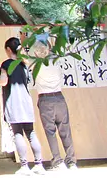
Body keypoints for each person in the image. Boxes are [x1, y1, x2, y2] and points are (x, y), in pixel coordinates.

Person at [0, 37, 46, 175]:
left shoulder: (6, 64)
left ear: (8, 50)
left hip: (13, 102)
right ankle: (39, 164)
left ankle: (24, 166)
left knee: (18, 133)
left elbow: (3, 81)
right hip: (26, 101)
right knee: (31, 133)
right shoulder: (24, 64)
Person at [30, 41, 77, 171]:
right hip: (59, 97)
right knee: (65, 131)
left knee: (50, 132)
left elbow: (22, 56)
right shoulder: (56, 60)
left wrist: (24, 41)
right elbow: (54, 48)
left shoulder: (35, 64)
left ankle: (58, 161)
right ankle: (71, 161)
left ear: (36, 53)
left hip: (45, 99)